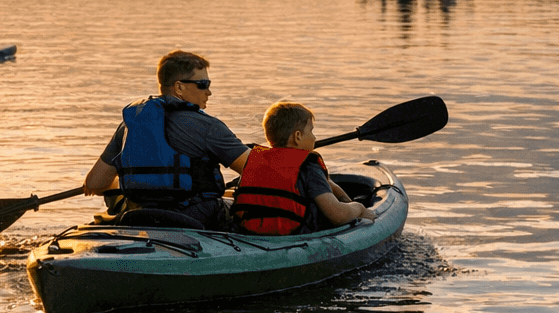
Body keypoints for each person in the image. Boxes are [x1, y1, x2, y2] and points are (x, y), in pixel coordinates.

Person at [82, 50, 251, 230]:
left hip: (140, 214)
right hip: (196, 215)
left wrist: (134, 182)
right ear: (179, 87)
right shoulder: (208, 127)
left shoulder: (130, 125)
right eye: (203, 84)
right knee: (243, 206)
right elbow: (257, 170)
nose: (209, 92)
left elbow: (94, 184)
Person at [232, 102, 376, 235]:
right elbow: (337, 215)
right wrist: (358, 208)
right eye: (311, 131)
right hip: (295, 235)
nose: (314, 137)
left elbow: (324, 184)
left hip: (250, 234)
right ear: (298, 136)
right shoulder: (309, 167)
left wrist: (345, 199)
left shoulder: (254, 161)